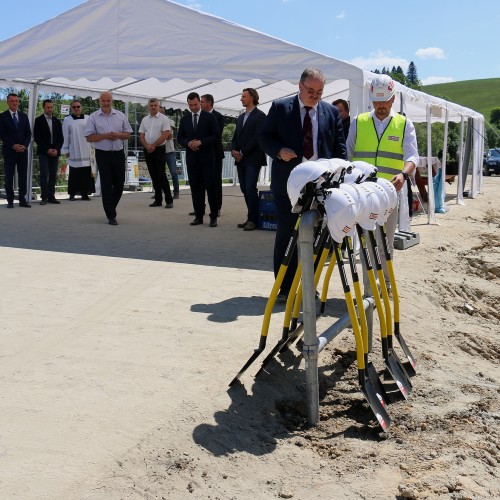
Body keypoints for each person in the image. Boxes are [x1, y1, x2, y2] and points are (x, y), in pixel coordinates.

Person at [259, 67, 347, 299]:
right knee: (288, 233)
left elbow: (340, 149)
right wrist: (278, 151)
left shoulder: (330, 112)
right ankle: (285, 288)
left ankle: (310, 287)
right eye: (311, 90)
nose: (315, 95)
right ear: (299, 86)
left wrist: (341, 175)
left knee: (317, 235)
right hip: (288, 184)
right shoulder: (280, 108)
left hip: (321, 187)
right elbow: (264, 137)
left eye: (319, 92)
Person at [346, 74, 418, 293]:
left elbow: (413, 156)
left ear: (392, 99)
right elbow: (347, 153)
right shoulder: (359, 122)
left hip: (389, 194)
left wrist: (404, 175)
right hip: (363, 194)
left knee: (385, 241)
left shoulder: (404, 124)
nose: (380, 107)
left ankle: (385, 284)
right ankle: (368, 286)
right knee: (365, 241)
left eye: (384, 102)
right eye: (377, 102)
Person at [84, 91, 132, 226]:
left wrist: (118, 135)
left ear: (112, 101)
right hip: (102, 154)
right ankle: (111, 215)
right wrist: (105, 136)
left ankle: (111, 207)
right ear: (99, 101)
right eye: (103, 101)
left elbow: (128, 134)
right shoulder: (93, 117)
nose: (106, 103)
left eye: (108, 101)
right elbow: (89, 137)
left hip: (118, 153)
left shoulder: (120, 115)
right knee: (106, 184)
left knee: (119, 184)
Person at [177, 92, 220, 227]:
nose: (193, 107)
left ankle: (213, 216)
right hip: (192, 159)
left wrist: (201, 142)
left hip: (207, 159)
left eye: (196, 104)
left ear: (199, 103)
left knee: (210, 187)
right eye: (191, 105)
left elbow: (216, 136)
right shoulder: (184, 119)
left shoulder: (209, 117)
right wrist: (188, 143)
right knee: (195, 189)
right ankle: (198, 216)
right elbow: (180, 138)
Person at [230, 88, 267, 231]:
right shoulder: (240, 118)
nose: (241, 99)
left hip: (253, 158)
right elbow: (235, 138)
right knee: (244, 188)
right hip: (241, 159)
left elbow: (257, 137)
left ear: (252, 97)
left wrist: (242, 152)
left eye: (244, 96)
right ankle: (252, 217)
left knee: (250, 188)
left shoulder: (260, 116)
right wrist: (233, 150)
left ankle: (253, 219)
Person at [139, 98, 174, 209]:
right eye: (151, 105)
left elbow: (165, 134)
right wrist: (147, 146)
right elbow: (141, 135)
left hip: (159, 149)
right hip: (148, 150)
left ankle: (169, 200)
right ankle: (158, 200)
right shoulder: (144, 119)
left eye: (155, 105)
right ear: (148, 106)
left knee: (161, 175)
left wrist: (153, 146)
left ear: (158, 106)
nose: (153, 107)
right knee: (153, 175)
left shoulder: (164, 119)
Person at [0, 93, 32, 208]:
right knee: (9, 176)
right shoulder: (2, 116)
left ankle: (22, 200)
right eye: (12, 101)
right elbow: (2, 134)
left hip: (23, 151)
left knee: (23, 176)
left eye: (16, 101)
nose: (14, 102)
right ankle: (10, 201)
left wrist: (24, 145)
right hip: (9, 151)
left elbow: (28, 133)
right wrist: (13, 145)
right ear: (8, 102)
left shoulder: (24, 116)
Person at [61, 99, 94, 201]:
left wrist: (93, 149)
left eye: (78, 106)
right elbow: (65, 135)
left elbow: (92, 133)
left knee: (86, 173)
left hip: (86, 149)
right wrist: (65, 149)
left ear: (81, 107)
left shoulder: (88, 118)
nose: (76, 109)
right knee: (74, 173)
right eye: (74, 107)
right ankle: (72, 194)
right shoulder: (67, 120)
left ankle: (85, 193)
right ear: (71, 108)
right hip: (74, 149)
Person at [34, 99, 64, 205]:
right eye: (48, 107)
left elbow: (61, 138)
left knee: (53, 174)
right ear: (43, 107)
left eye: (51, 107)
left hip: (55, 151)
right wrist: (47, 150)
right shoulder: (38, 120)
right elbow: (37, 138)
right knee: (44, 173)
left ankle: (51, 196)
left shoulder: (57, 121)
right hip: (43, 152)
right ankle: (44, 197)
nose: (50, 109)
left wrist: (57, 149)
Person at [200, 94, 225, 215]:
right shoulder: (199, 116)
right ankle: (200, 207)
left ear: (209, 103)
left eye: (202, 102)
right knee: (200, 182)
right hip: (201, 154)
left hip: (215, 154)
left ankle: (217, 207)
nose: (200, 104)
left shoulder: (218, 116)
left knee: (215, 181)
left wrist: (201, 141)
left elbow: (216, 135)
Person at [159, 106, 180, 199]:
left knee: (173, 173)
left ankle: (176, 192)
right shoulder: (154, 123)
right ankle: (159, 192)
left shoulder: (170, 121)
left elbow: (169, 136)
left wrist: (158, 135)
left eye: (162, 112)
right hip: (159, 151)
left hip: (169, 151)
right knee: (160, 173)